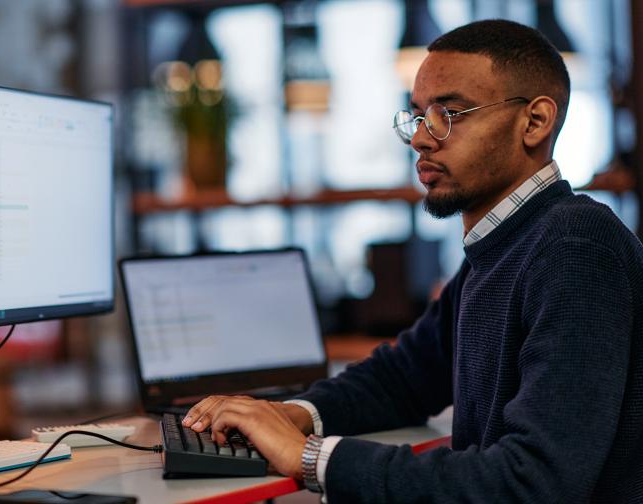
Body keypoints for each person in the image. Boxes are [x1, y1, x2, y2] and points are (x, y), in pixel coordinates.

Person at [181, 19, 643, 503]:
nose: (422, 138)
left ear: (534, 122)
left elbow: (532, 482)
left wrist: (310, 456)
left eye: (451, 113)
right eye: (419, 115)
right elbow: (405, 377)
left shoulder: (574, 248)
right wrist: (290, 415)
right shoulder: (503, 247)